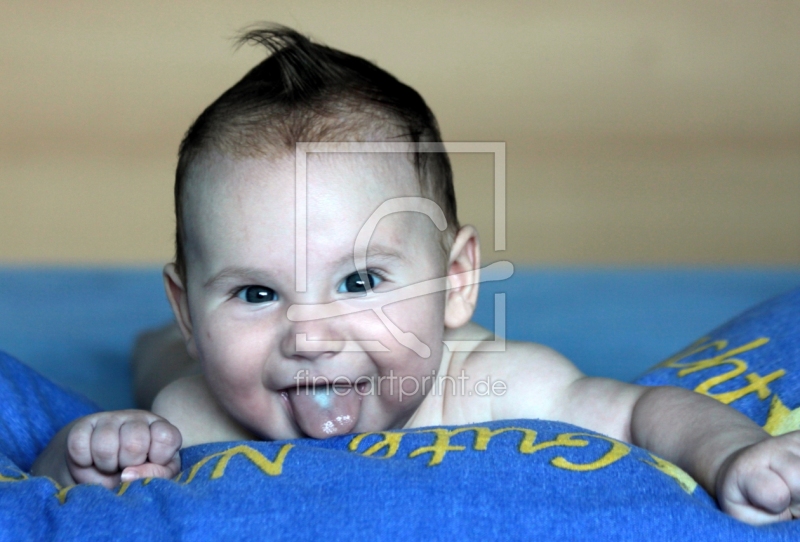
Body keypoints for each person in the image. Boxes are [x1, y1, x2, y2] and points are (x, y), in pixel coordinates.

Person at [32, 25, 800, 525]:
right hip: (189, 358)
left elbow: (642, 415)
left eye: (361, 281)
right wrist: (79, 450)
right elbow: (43, 499)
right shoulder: (190, 417)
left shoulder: (500, 387)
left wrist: (731, 450)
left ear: (458, 280)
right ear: (191, 308)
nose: (309, 335)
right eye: (257, 292)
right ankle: (157, 339)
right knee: (159, 370)